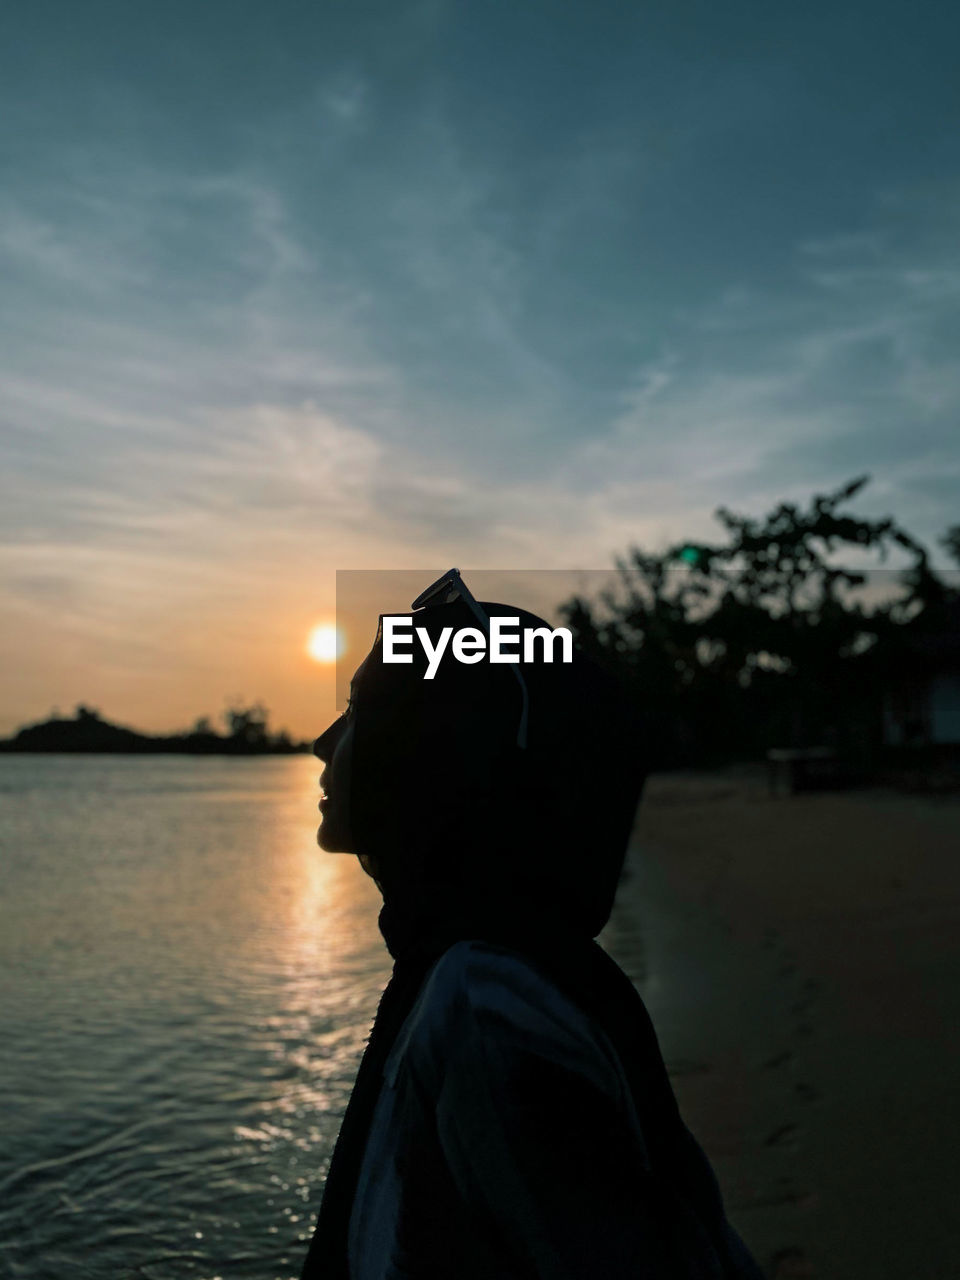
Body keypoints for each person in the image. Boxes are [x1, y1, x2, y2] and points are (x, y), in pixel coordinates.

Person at [300, 570, 764, 1280]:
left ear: (433, 751)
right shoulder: (497, 962)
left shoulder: (490, 1003)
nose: (323, 743)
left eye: (364, 711)